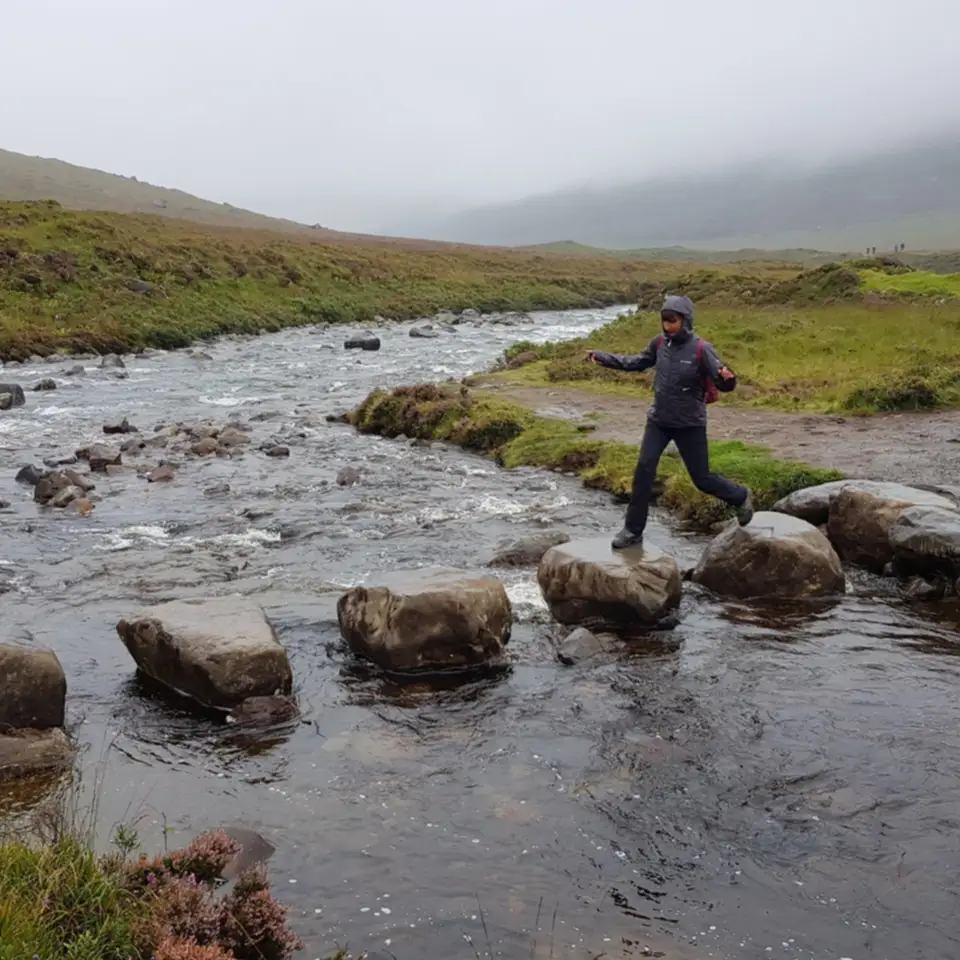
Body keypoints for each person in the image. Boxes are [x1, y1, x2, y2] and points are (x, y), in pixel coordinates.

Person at [587, 294, 753, 550]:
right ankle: (632, 531)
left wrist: (728, 379)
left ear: (685, 320)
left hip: (689, 423)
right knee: (643, 471)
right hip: (659, 421)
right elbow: (636, 363)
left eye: (672, 321)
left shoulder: (701, 349)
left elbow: (725, 382)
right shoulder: (659, 344)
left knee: (702, 478)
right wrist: (604, 358)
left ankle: (740, 496)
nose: (667, 326)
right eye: (664, 321)